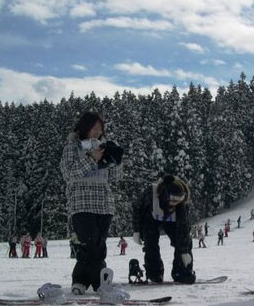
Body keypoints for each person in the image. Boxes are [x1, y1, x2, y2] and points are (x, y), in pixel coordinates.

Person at [60, 111, 124, 295]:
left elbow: (116, 177)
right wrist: (91, 159)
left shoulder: (104, 146)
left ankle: (79, 281)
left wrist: (117, 160)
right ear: (84, 127)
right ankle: (100, 283)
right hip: (81, 203)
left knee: (93, 246)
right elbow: (68, 174)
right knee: (93, 244)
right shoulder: (72, 148)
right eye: (93, 128)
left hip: (104, 204)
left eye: (100, 129)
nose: (97, 132)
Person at [131, 174, 196, 284]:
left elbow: (183, 229)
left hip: (173, 222)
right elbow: (137, 209)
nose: (176, 204)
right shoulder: (150, 194)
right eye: (173, 200)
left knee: (184, 244)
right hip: (151, 218)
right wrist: (136, 230)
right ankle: (154, 273)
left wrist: (185, 252)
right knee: (150, 244)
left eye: (179, 200)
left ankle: (181, 272)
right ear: (165, 195)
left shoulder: (182, 206)